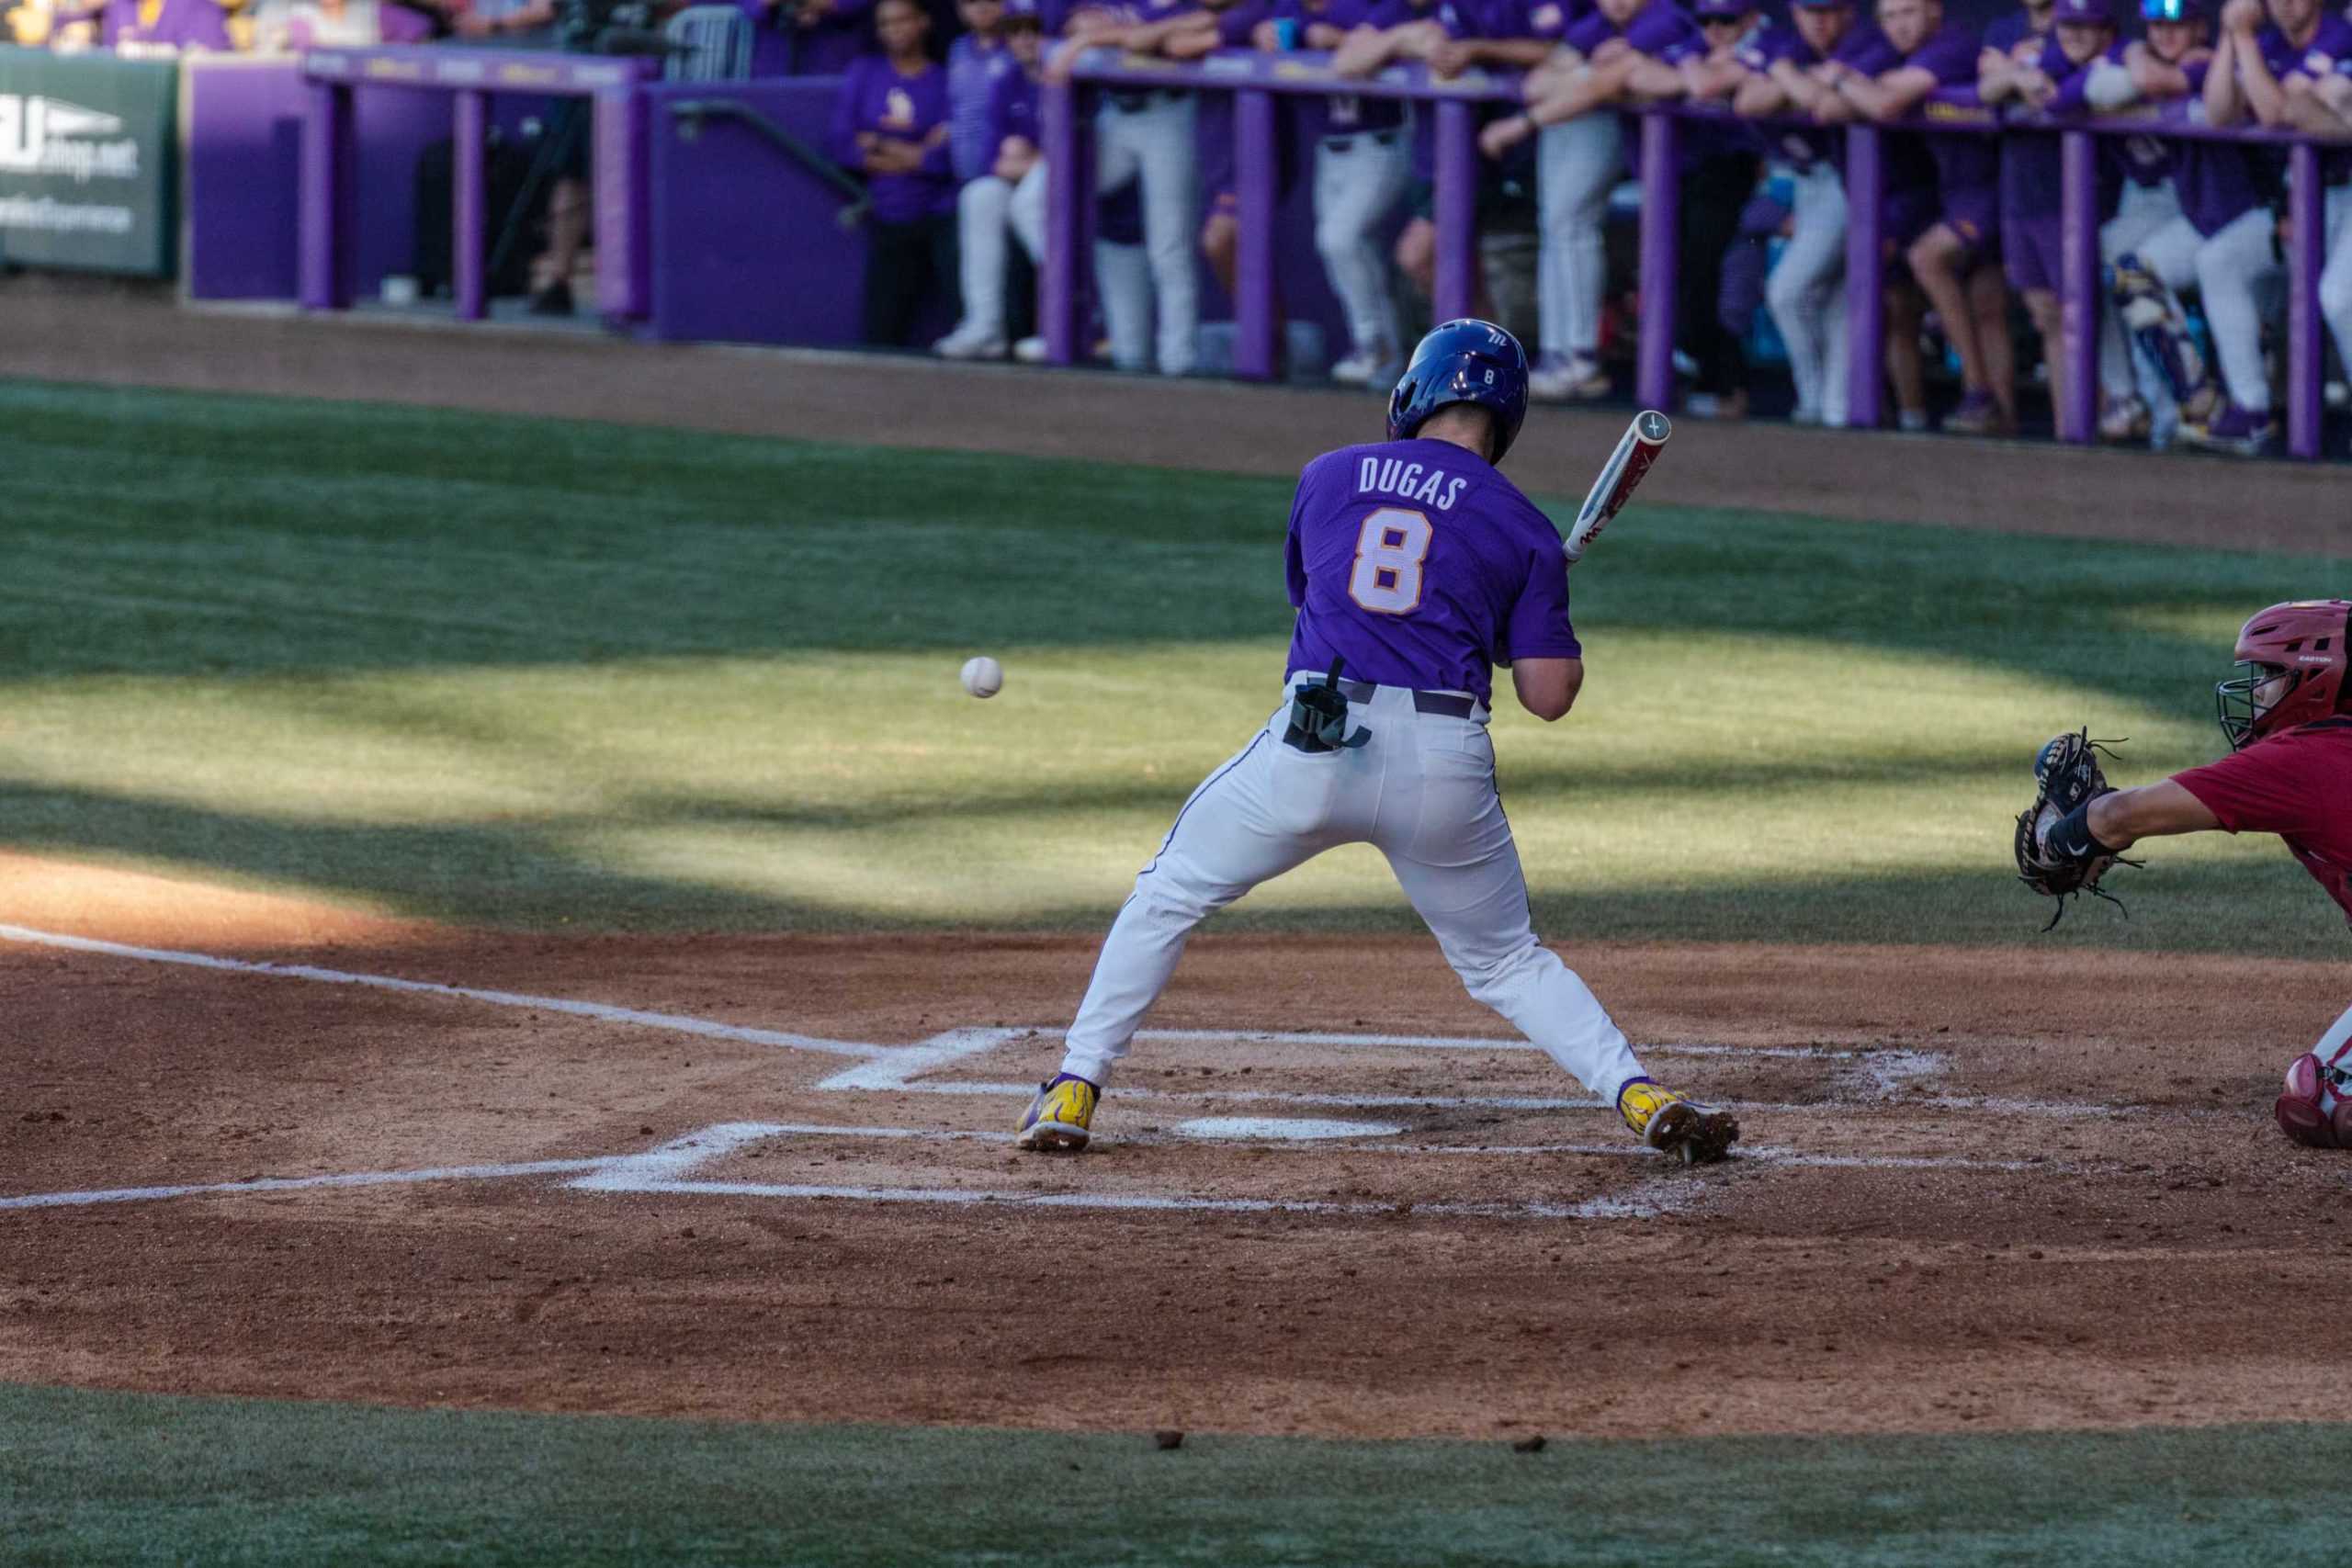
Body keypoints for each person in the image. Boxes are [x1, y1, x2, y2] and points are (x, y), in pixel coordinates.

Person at [1014, 320, 1742, 1167]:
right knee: (1506, 961)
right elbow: (1549, 697)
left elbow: (1330, 593)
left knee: (1170, 892)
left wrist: (1480, 611)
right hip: (1443, 766)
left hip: (1315, 744)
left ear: (1417, 390)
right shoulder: (1524, 528)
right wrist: (1509, 617)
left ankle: (1075, 1082)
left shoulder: (1328, 474)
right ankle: (1636, 1091)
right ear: (1506, 418)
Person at [2021, 600, 2352, 1148]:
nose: (2258, 692)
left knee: (2319, 1098)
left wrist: (2054, 840)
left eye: (2271, 675)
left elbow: (2120, 816)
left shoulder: (2303, 760)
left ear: (2319, 677)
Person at [1479, 0, 1699, 402]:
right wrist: (1584, 71)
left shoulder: (1663, 18)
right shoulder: (1600, 23)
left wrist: (1523, 122)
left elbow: (1605, 83)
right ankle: (1562, 354)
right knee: (1561, 230)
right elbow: (1536, 84)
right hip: (1660, 167)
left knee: (1575, 229)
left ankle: (1580, 357)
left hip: (1703, 167)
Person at [1828, 0, 2015, 434]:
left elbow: (1883, 103)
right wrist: (1856, 86)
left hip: (1992, 184)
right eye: (1890, 16)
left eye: (1909, 11)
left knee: (1927, 258)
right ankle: (2001, 416)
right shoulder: (1897, 52)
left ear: (1933, 11)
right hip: (1955, 190)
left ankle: (1979, 391)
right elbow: (1829, 109)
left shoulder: (1951, 44)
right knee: (1987, 301)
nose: (1900, 24)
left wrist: (1841, 79)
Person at [2188, 0, 2352, 453]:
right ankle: (2252, 409)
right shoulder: (2268, 43)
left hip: (2347, 190)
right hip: (2298, 199)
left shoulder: (2339, 36)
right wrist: (2230, 34)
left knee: (2339, 297)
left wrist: (2249, 51)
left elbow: (2278, 114)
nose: (2283, 4)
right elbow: (2220, 113)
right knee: (2218, 260)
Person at [1734, 0, 1893, 427]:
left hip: (1868, 183)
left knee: (1790, 291)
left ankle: (1820, 399)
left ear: (1847, 13)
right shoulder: (1790, 44)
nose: (1819, 22)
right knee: (1837, 297)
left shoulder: (1867, 44)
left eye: (1829, 11)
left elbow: (1823, 107)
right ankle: (1830, 406)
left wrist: (1787, 74)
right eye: (1810, 12)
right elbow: (1749, 100)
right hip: (1816, 182)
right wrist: (1793, 75)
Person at [2056, 0, 2209, 444]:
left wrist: (2134, 64)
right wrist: (2130, 61)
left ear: (2200, 27)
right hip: (2157, 200)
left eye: (2176, 25)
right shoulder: (2125, 55)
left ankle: (2196, 405)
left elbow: (2150, 80)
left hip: (2221, 207)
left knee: (2136, 275)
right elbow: (2061, 101)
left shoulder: (2210, 61)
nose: (2165, 35)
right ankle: (2129, 398)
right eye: (2156, 25)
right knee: (2086, 264)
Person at [1050, 0, 1206, 375]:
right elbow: (1077, 23)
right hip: (1115, 115)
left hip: (1168, 112)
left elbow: (1193, 30)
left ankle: (1178, 361)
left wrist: (1100, 39)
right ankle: (1101, 332)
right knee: (1041, 202)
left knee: (1169, 245)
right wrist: (1092, 37)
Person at [1984, 0, 2114, 434]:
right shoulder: (2009, 29)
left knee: (2079, 314)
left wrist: (2023, 73)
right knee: (2045, 313)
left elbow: (2052, 94)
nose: (2075, 32)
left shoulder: (2088, 37)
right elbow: (1985, 87)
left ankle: (2101, 423)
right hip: (2023, 187)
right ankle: (2068, 429)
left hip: (2077, 193)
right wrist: (2015, 73)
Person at [831, 0, 959, 346]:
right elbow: (843, 145)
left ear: (923, 22)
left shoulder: (945, 79)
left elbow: (943, 160)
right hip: (890, 213)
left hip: (941, 214)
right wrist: (914, 152)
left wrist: (879, 143)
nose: (895, 30)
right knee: (881, 334)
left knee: (963, 324)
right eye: (886, 24)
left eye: (903, 20)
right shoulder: (864, 72)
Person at [934, 0, 1021, 357]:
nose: (982, 6)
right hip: (970, 177)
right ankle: (985, 329)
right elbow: (955, 111)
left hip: (1017, 170)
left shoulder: (1020, 45)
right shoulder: (957, 50)